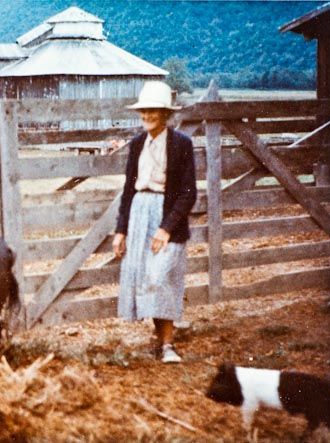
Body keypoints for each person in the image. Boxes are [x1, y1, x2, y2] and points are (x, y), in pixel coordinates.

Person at [112, 81, 197, 364]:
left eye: (153, 111)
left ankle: (168, 345)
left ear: (165, 114)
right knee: (144, 277)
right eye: (143, 110)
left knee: (162, 277)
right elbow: (127, 189)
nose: (147, 115)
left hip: (166, 214)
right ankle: (160, 340)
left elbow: (188, 193)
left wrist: (166, 228)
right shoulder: (137, 145)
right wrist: (121, 230)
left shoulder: (181, 144)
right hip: (139, 211)